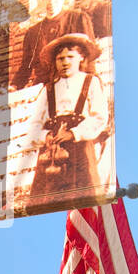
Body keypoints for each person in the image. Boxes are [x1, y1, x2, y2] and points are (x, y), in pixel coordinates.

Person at [26, 34, 111, 205]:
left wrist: (74, 133)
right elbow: (34, 123)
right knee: (47, 197)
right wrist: (45, 137)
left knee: (83, 192)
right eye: (60, 58)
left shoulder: (90, 82)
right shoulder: (48, 89)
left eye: (70, 57)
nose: (65, 62)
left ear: (81, 58)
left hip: (80, 148)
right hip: (52, 151)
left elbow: (99, 116)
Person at [12, 0, 94, 90]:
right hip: (45, 88)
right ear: (43, 0)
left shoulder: (78, 18)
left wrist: (90, 83)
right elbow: (26, 67)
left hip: (73, 85)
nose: (52, 1)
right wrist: (14, 86)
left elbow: (90, 56)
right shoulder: (32, 32)